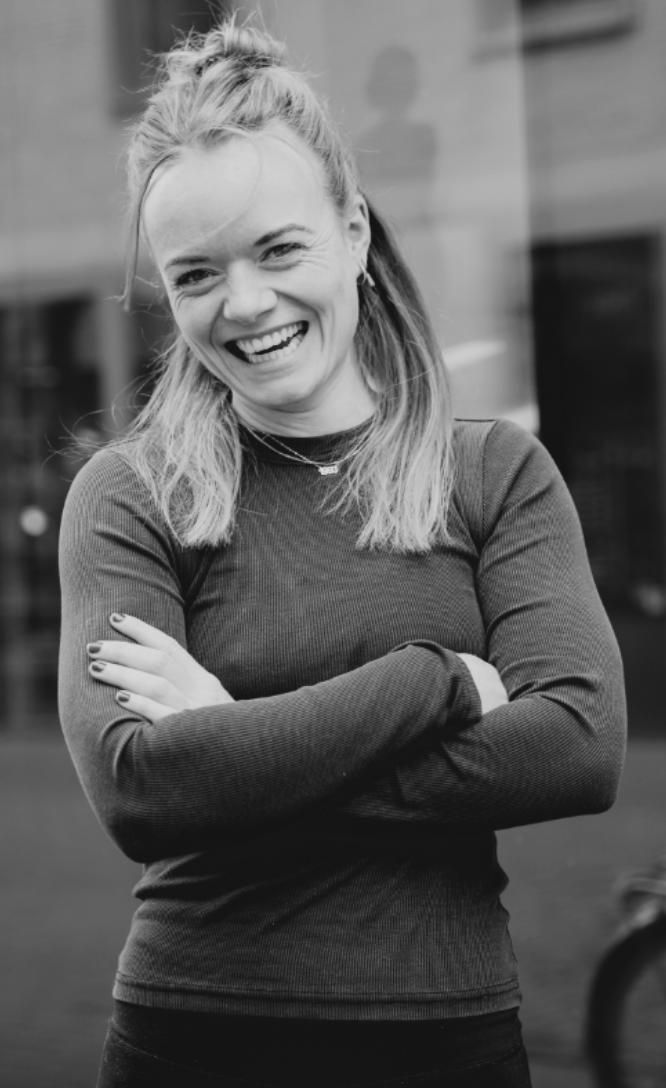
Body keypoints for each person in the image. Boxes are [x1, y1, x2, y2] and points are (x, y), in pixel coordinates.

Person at [58, 17, 627, 1088]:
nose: (245, 304)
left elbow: (578, 748)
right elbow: (142, 793)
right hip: (195, 1036)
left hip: (450, 1038)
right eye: (196, 274)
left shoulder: (493, 473)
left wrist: (230, 740)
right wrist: (434, 681)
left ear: (355, 232)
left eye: (280, 249)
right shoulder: (132, 494)